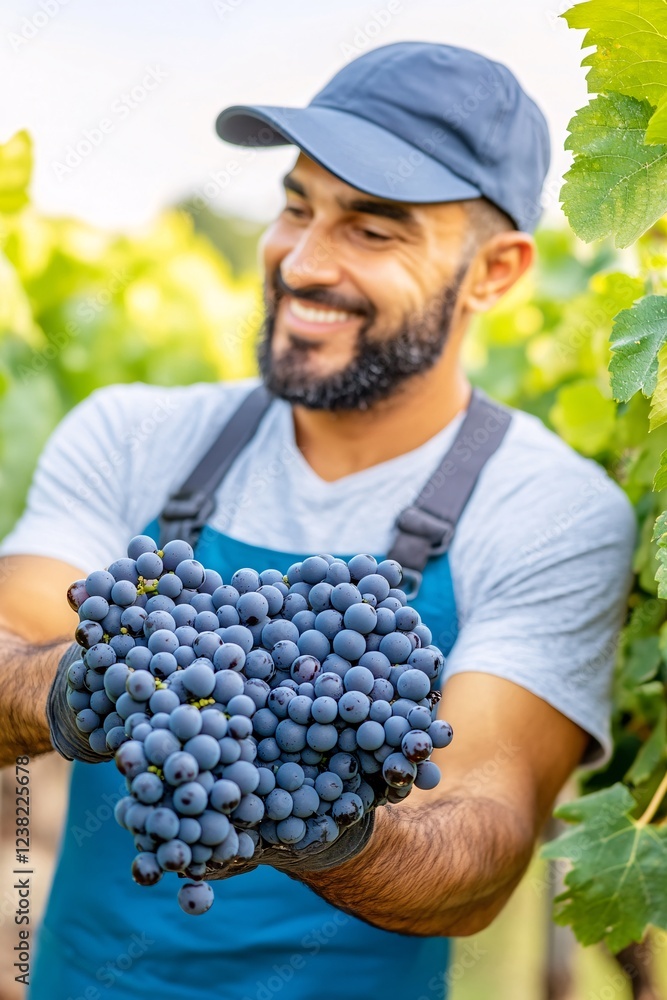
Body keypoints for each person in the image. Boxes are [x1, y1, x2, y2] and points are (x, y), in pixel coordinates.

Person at [0, 41, 635, 1000]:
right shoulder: (133, 434)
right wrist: (85, 687)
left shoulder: (548, 509)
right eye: (296, 206)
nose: (303, 261)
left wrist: (296, 808)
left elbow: (482, 845)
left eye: (373, 232)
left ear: (495, 273)